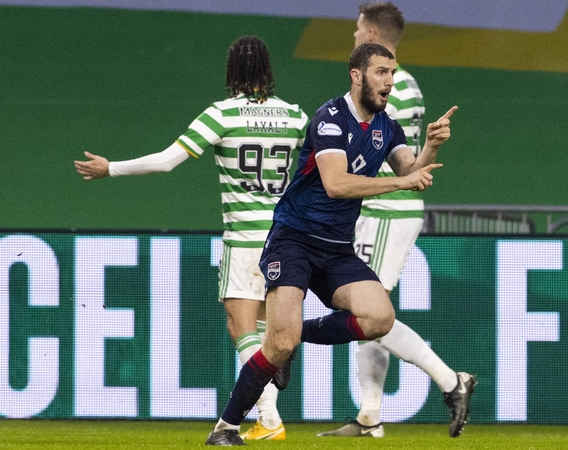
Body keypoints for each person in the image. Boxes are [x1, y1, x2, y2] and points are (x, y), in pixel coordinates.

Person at [204, 42, 456, 446]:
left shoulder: (386, 126)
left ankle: (295, 334)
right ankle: (226, 427)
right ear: (357, 76)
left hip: (336, 247)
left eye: (392, 73)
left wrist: (432, 146)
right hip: (294, 240)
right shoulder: (330, 119)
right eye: (381, 73)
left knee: (379, 318)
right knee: (279, 343)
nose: (389, 82)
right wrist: (402, 182)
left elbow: (411, 169)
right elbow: (337, 184)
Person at [74, 36, 308, 441]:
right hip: (286, 236)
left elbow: (166, 161)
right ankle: (268, 413)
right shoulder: (295, 116)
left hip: (244, 238)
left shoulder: (221, 114)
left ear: (232, 70)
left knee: (241, 327)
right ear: (268, 69)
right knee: (268, 332)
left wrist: (111, 168)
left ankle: (269, 417)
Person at [316, 2, 476, 439]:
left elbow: (391, 157)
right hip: (382, 210)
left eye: (357, 30)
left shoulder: (389, 86)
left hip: (388, 211)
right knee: (365, 316)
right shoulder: (406, 83)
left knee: (370, 313)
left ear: (370, 35)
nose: (353, 36)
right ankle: (370, 416)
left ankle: (450, 380)